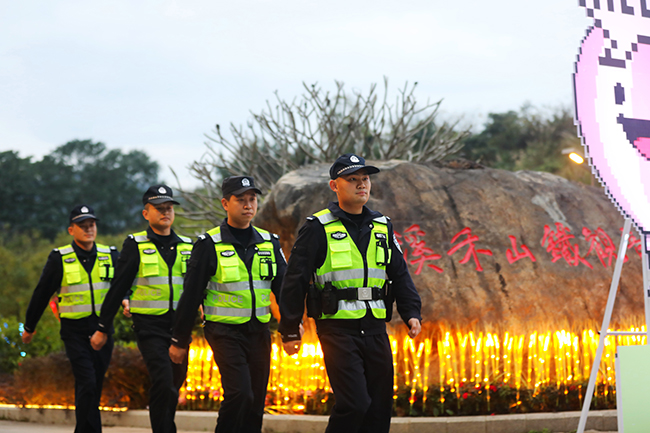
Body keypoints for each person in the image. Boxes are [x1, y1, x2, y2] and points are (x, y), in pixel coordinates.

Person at [278, 153, 422, 433]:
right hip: (337, 329)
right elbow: (295, 280)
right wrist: (290, 330)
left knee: (379, 408)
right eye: (352, 179)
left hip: (375, 327)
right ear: (334, 186)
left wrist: (411, 312)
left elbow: (399, 273)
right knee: (354, 403)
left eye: (365, 179)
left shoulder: (382, 226)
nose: (361, 185)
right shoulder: (318, 227)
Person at [169, 175, 287, 433]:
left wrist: (290, 328)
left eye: (252, 200)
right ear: (225, 203)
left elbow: (284, 289)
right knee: (240, 394)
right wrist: (179, 340)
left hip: (259, 332)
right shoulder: (209, 244)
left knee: (255, 402)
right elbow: (191, 295)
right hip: (224, 332)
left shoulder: (269, 243)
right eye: (240, 200)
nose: (248, 205)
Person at [90, 185, 192, 433]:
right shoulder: (135, 244)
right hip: (150, 327)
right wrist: (103, 327)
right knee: (164, 381)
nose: (165, 212)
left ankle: (164, 424)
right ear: (146, 214)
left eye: (169, 208)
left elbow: (196, 286)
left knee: (175, 383)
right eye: (159, 208)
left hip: (180, 327)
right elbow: (118, 287)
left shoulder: (188, 246)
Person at [22, 205, 118, 433]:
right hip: (75, 332)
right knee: (87, 381)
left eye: (91, 225)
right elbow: (42, 293)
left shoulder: (110, 255)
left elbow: (121, 285)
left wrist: (125, 300)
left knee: (93, 384)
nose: (88, 230)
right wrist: (29, 326)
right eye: (82, 226)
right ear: (71, 230)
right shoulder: (60, 258)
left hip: (103, 330)